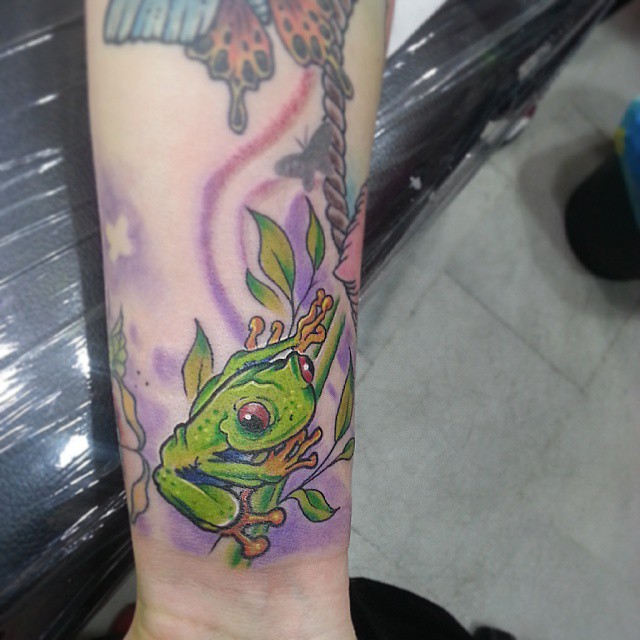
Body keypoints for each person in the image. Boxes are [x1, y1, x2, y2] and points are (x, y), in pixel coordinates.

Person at [87, 2, 513, 638]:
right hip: (201, 470)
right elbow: (193, 459)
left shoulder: (265, 381)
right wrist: (226, 588)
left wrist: (294, 350)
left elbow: (252, 370)